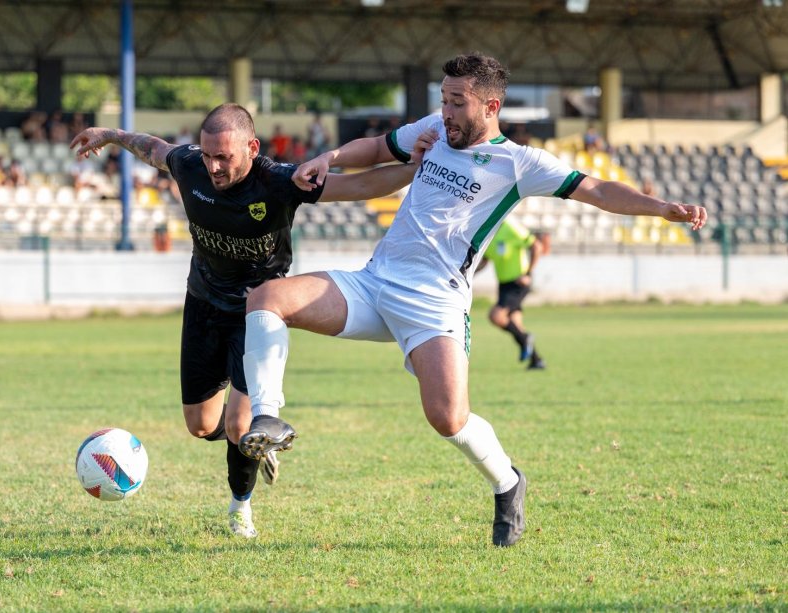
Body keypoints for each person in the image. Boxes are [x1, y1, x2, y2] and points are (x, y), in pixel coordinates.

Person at [237, 52, 707, 548]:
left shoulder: (520, 164)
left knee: (448, 418)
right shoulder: (435, 130)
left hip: (436, 304)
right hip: (373, 285)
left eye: (457, 102)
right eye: (443, 100)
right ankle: (268, 416)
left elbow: (597, 189)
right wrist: (328, 158)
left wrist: (662, 209)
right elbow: (377, 147)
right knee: (268, 298)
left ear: (491, 106)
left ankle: (508, 482)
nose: (446, 112)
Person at [69, 103, 416, 539]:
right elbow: (154, 148)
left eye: (224, 157)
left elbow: (359, 186)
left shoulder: (278, 181)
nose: (213, 166)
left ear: (251, 148)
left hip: (258, 314)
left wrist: (417, 168)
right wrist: (111, 134)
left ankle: (240, 509)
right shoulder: (190, 165)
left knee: (239, 425)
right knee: (199, 425)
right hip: (203, 304)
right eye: (208, 154)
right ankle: (254, 447)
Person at [478, 217, 546, 370]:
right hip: (504, 285)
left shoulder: (510, 227)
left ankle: (525, 338)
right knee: (515, 324)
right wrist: (467, 275)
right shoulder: (488, 232)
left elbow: (537, 246)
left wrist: (528, 273)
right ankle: (537, 361)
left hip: (518, 282)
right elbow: (485, 260)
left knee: (496, 316)